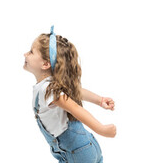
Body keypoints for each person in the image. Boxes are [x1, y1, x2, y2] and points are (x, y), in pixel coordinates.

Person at [23, 26, 117, 163]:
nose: (25, 54)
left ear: (45, 64)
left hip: (76, 153)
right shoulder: (51, 84)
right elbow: (76, 91)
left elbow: (75, 108)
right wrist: (99, 100)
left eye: (31, 52)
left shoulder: (46, 89)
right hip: (85, 147)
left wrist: (102, 129)